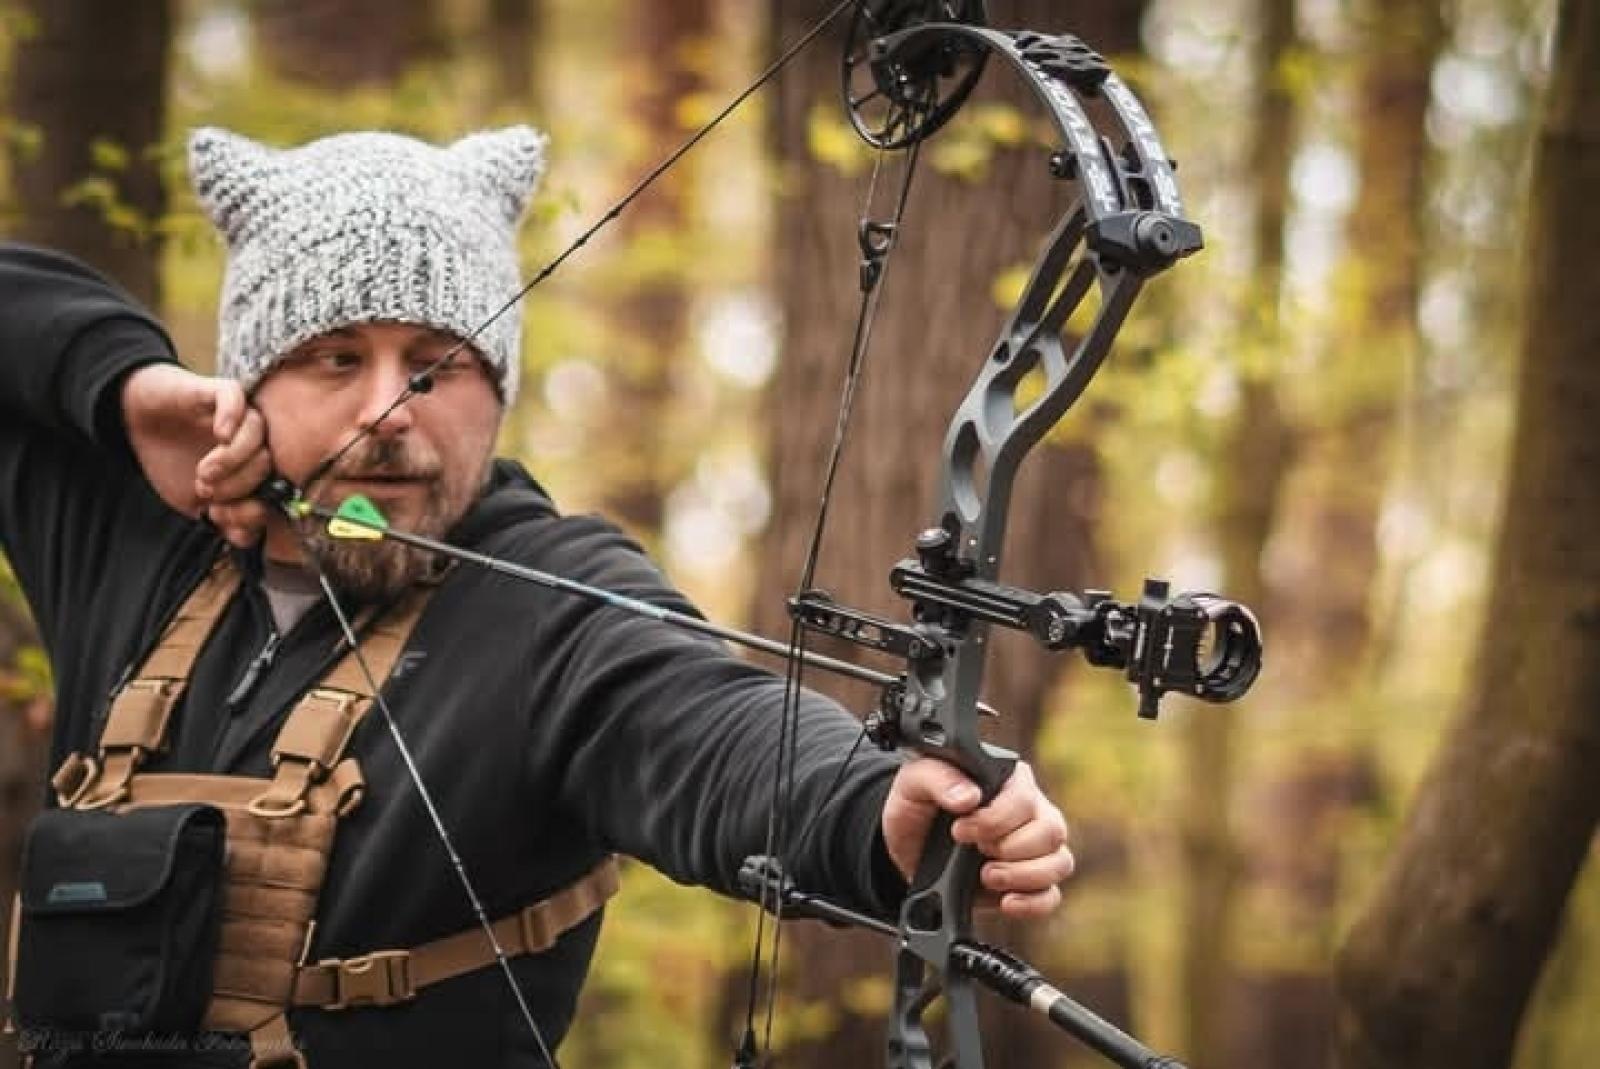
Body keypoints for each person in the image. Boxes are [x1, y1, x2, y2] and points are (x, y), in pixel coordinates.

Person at [0, 126, 1071, 1067]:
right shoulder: (135, 540)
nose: (389, 412)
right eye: (334, 357)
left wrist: (878, 812)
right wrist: (124, 384)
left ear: (496, 391)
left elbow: (715, 733)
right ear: (248, 382)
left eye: (438, 363)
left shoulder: (553, 603)